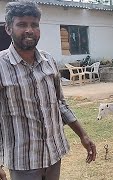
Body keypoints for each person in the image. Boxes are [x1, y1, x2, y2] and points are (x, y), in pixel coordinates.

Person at [0, 1, 97, 180]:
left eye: (34, 24)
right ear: (8, 29)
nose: (29, 30)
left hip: (53, 155)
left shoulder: (49, 61)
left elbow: (61, 104)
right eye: (21, 24)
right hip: (23, 163)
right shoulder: (1, 65)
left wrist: (83, 135)